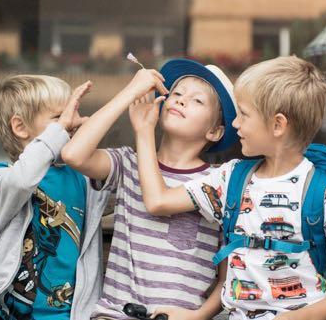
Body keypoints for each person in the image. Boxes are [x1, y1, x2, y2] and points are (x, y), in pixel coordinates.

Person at [134, 56, 326, 320]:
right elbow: (157, 201)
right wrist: (144, 131)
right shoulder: (231, 179)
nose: (235, 124)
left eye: (244, 114)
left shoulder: (323, 194)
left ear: (278, 125)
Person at [62, 58, 239, 320]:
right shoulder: (127, 163)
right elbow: (73, 154)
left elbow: (228, 276)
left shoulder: (218, 181)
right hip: (113, 315)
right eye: (176, 93)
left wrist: (199, 316)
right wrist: (129, 93)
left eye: (197, 100)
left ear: (215, 131)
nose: (180, 100)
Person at [0, 74, 112, 320]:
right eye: (59, 117)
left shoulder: (84, 179)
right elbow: (22, 180)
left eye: (71, 115)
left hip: (68, 314)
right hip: (6, 312)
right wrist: (58, 133)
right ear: (20, 127)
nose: (70, 123)